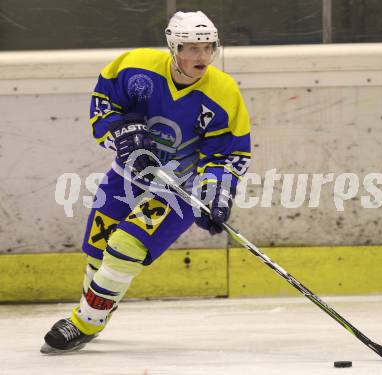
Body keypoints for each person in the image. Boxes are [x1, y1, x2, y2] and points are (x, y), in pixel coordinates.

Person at [40, 10, 251, 354]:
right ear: (173, 47)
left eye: (208, 47)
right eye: (191, 48)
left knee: (125, 247)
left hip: (178, 189)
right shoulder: (133, 66)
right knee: (98, 250)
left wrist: (214, 193)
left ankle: (85, 322)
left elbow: (227, 154)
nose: (201, 56)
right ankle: (98, 306)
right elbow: (103, 106)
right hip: (127, 176)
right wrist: (119, 132)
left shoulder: (224, 93)